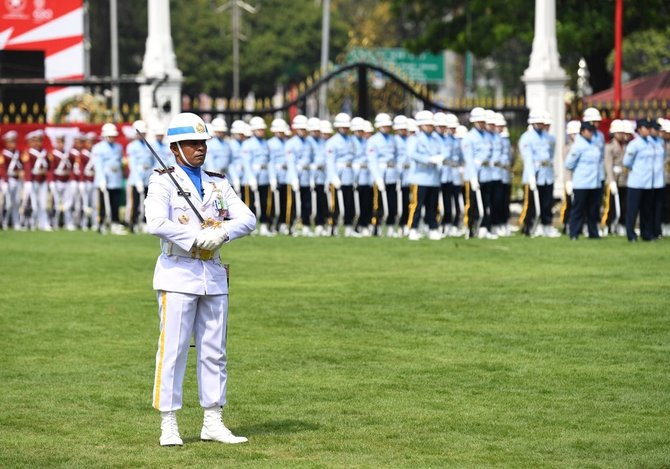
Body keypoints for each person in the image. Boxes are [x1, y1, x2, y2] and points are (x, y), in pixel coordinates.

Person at [144, 112, 255, 447]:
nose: (199, 149)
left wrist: (220, 232)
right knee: (174, 350)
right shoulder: (163, 180)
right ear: (175, 149)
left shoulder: (218, 182)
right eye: (192, 144)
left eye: (203, 142)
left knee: (213, 351)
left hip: (213, 273)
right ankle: (169, 423)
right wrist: (194, 237)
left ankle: (213, 420)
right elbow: (156, 223)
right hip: (178, 272)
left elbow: (247, 219)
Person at [518, 110, 560, 237]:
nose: (543, 125)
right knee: (531, 203)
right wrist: (531, 176)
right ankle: (529, 226)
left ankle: (546, 225)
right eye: (540, 123)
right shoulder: (527, 137)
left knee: (547, 202)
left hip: (546, 173)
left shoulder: (548, 137)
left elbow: (551, 154)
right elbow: (528, 158)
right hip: (534, 174)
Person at [406, 110, 442, 241]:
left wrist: (440, 158)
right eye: (428, 124)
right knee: (417, 205)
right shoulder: (414, 139)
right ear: (421, 125)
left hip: (433, 178)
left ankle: (432, 227)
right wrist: (428, 159)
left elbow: (444, 151)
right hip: (419, 177)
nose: (431, 127)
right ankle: (413, 228)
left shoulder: (436, 138)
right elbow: (412, 154)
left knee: (432, 205)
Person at [565, 121, 603, 239]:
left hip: (594, 183)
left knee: (593, 210)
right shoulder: (578, 145)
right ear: (582, 132)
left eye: (592, 131)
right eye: (589, 131)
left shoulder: (593, 144)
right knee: (578, 209)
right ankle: (574, 233)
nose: (591, 133)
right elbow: (569, 164)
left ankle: (593, 233)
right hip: (582, 183)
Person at [623, 119, 657, 242]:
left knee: (647, 210)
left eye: (649, 128)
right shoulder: (634, 144)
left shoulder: (651, 143)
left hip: (648, 183)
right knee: (633, 210)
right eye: (645, 128)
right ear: (639, 129)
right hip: (636, 182)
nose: (648, 130)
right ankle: (631, 234)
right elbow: (627, 162)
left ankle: (646, 233)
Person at [93, 123, 126, 234]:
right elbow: (98, 165)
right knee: (103, 204)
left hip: (116, 180)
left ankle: (115, 223)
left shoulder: (118, 147)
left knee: (115, 203)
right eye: (110, 136)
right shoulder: (98, 148)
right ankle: (102, 223)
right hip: (104, 181)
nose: (112, 138)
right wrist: (101, 179)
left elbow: (119, 162)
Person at [126, 120, 154, 233]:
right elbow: (132, 164)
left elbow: (152, 162)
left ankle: (144, 221)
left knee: (147, 203)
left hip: (147, 178)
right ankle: (132, 223)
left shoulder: (148, 145)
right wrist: (137, 180)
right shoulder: (132, 146)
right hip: (135, 180)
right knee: (135, 202)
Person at [21, 129, 51, 231]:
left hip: (42, 180)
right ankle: (30, 223)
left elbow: (49, 167)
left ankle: (44, 223)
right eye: (35, 141)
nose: (37, 143)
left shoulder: (45, 152)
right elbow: (27, 168)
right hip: (33, 180)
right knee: (31, 204)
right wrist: (28, 181)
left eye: (39, 140)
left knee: (43, 204)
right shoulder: (28, 153)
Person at [602, 119, 628, 235]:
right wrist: (611, 180)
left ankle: (620, 225)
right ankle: (608, 225)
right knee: (610, 205)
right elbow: (608, 164)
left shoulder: (626, 146)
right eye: (619, 133)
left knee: (623, 204)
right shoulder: (609, 147)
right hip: (613, 180)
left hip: (624, 180)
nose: (621, 135)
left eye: (622, 133)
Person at [48, 135, 75, 230]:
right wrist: (51, 181)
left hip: (67, 180)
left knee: (68, 204)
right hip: (57, 181)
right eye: (58, 142)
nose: (60, 144)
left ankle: (69, 222)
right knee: (56, 203)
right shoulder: (53, 154)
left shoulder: (68, 154)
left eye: (61, 142)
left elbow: (71, 167)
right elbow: (51, 169)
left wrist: (71, 180)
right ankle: (54, 222)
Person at [2, 131, 22, 229]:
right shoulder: (4, 154)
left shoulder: (18, 153)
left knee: (16, 202)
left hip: (17, 180)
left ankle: (16, 223)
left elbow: (22, 166)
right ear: (7, 143)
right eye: (11, 142)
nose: (13, 144)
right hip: (8, 180)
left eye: (14, 142)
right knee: (8, 203)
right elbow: (2, 169)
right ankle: (5, 222)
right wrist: (5, 181)